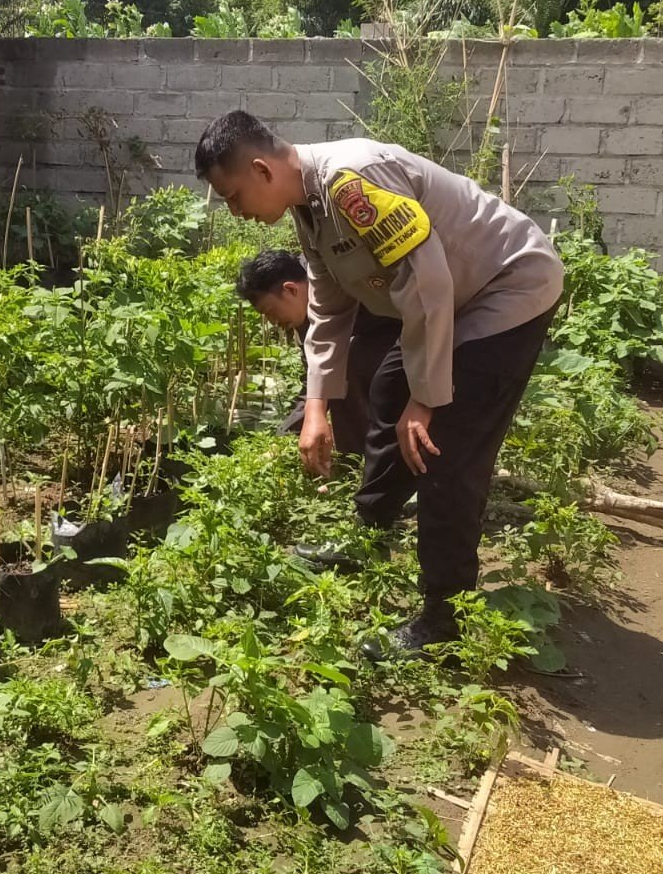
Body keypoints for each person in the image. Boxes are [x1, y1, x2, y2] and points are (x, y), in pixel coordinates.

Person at [196, 111, 564, 658]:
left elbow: (429, 285)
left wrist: (428, 397)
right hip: (453, 299)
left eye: (232, 195)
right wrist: (317, 405)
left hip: (505, 288)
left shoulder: (353, 182)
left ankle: (443, 614)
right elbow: (326, 304)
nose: (235, 211)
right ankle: (370, 532)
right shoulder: (309, 206)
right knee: (388, 391)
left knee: (445, 447)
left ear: (260, 168)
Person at [234, 250, 400, 457]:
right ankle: (355, 464)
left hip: (410, 335)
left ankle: (364, 458)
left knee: (341, 365)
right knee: (330, 374)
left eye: (270, 311)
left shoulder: (338, 276)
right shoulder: (303, 323)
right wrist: (285, 436)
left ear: (291, 289)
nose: (272, 322)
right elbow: (313, 385)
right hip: (375, 355)